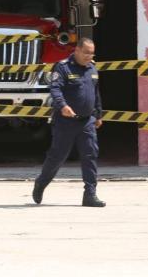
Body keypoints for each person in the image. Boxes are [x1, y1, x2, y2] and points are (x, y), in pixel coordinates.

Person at [32, 37, 106, 207]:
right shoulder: (63, 67)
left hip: (87, 121)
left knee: (90, 156)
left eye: (92, 53)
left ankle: (90, 194)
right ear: (77, 50)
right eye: (86, 53)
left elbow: (95, 93)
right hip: (66, 121)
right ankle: (41, 183)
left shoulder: (92, 69)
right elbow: (55, 89)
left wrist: (98, 115)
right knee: (57, 157)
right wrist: (63, 106)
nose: (89, 56)